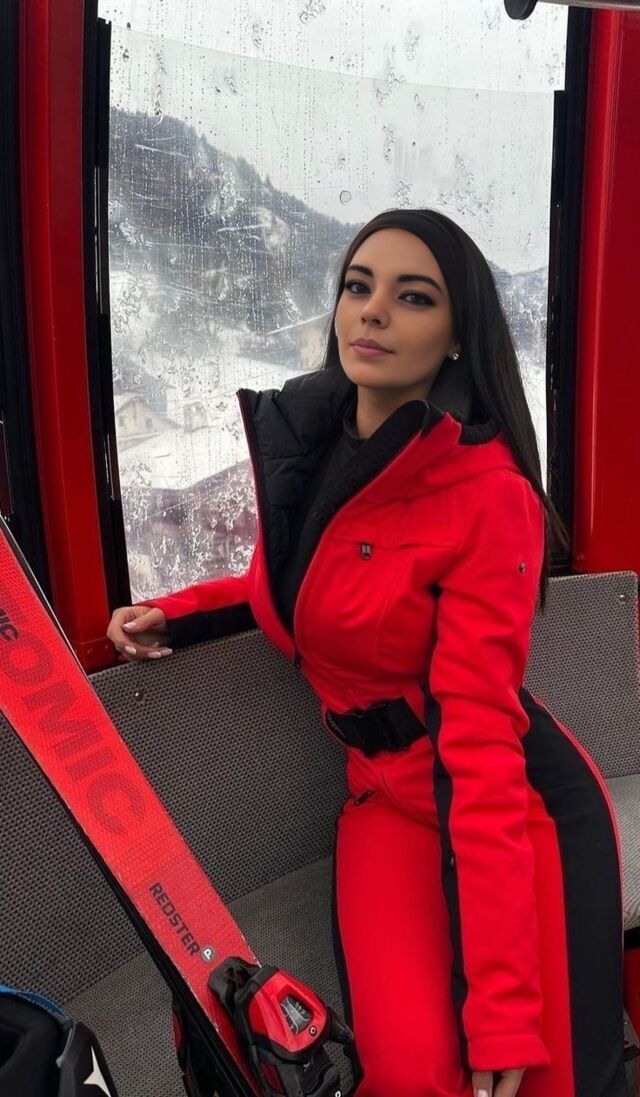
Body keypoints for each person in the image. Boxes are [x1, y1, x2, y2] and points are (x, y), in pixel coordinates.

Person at [107, 208, 627, 1097]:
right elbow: (307, 581)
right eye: (358, 285)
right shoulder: (316, 442)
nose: (373, 310)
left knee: (541, 1077)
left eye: (413, 296)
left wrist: (500, 1003)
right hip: (384, 799)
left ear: (458, 335)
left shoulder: (487, 495)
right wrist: (179, 614)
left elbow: (480, 749)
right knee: (411, 1075)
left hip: (512, 810)